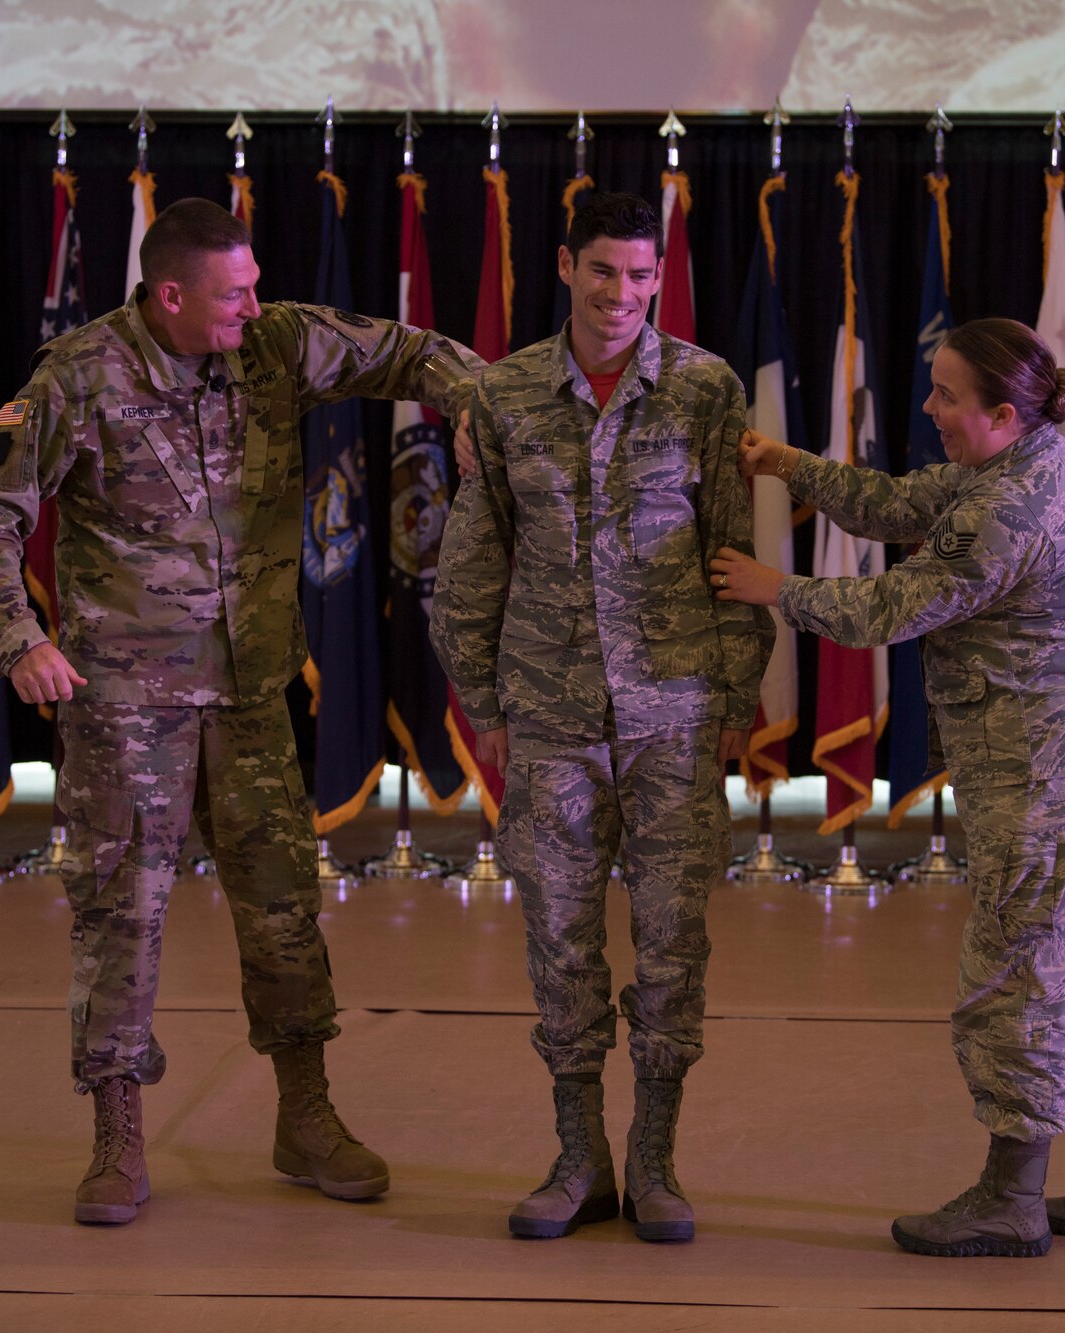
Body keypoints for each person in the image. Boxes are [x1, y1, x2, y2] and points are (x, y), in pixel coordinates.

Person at [0, 198, 482, 1226]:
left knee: (283, 906)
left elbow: (408, 352)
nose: (254, 305)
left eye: (255, 284)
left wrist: (469, 402)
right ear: (170, 293)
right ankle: (115, 1133)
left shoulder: (274, 342)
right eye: (232, 292)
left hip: (250, 691)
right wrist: (20, 641)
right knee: (121, 912)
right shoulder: (80, 376)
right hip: (125, 706)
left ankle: (306, 1114)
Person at [711, 317, 1065, 1258]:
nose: (930, 409)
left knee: (1016, 974)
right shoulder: (1026, 460)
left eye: (946, 396)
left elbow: (894, 604)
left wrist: (776, 588)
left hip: (1042, 769)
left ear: (1004, 413)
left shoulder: (1012, 508)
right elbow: (899, 501)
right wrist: (788, 463)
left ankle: (1014, 1193)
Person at [431, 191, 772, 1243]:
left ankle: (654, 1161)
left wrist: (732, 695)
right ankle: (577, 1160)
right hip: (550, 716)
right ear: (565, 267)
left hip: (673, 714)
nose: (620, 296)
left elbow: (733, 559)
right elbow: (473, 555)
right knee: (559, 941)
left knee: (672, 946)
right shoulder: (505, 393)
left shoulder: (705, 390)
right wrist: (483, 701)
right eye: (602, 272)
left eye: (639, 277)